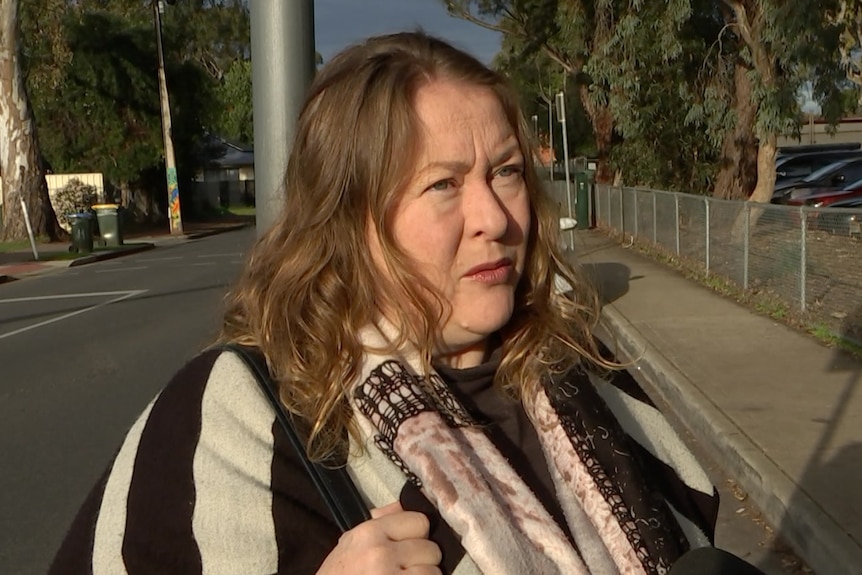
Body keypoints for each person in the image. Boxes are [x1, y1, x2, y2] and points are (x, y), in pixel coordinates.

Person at [50, 32, 721, 575]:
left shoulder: (583, 363)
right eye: (443, 184)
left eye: (506, 171)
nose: (494, 216)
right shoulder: (237, 412)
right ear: (350, 220)